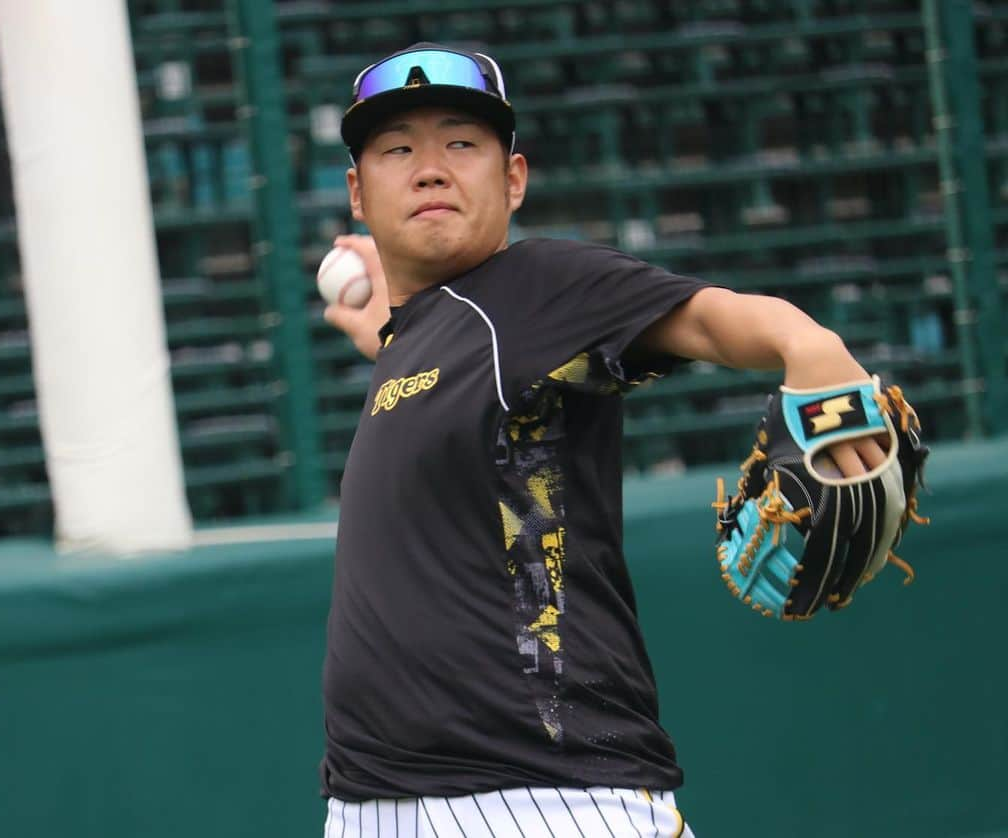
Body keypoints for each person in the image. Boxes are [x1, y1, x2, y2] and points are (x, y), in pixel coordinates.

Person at [319, 43, 889, 838]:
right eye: (397, 149)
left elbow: (712, 320)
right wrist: (388, 332)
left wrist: (812, 347)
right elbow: (469, 382)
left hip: (538, 802)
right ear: (357, 191)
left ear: (513, 178)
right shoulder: (428, 337)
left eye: (460, 142)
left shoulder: (536, 285)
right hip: (379, 806)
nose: (430, 168)